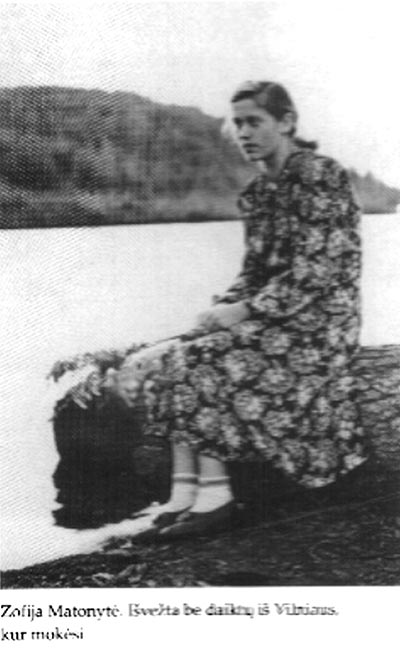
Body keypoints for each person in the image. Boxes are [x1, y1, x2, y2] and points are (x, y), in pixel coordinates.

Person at [114, 80, 367, 538]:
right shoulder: (257, 193)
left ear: (287, 122)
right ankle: (182, 495)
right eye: (239, 124)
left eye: (255, 121)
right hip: (275, 316)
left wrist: (246, 310)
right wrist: (223, 310)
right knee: (181, 354)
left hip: (321, 321)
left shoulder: (319, 175)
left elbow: (319, 269)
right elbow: (254, 272)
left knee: (207, 357)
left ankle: (216, 499)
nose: (245, 132)